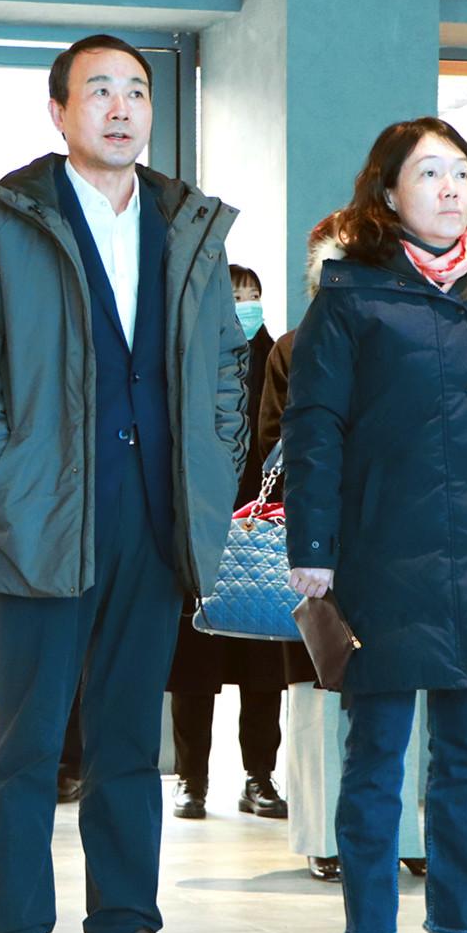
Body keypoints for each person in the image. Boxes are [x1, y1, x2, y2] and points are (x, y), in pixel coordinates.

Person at [0, 33, 245, 933]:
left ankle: (125, 931)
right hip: (40, 519)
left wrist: (208, 473)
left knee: (127, 743)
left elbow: (224, 369)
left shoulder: (184, 223)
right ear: (58, 110)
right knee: (24, 744)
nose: (119, 107)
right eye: (97, 90)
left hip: (152, 520)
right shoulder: (7, 218)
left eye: (135, 90)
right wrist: (6, 485)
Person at [283, 116, 467, 933]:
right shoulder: (351, 295)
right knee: (375, 756)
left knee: (464, 759)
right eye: (429, 173)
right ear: (388, 192)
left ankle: (458, 927)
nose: (450, 189)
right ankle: (369, 929)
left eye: (461, 173)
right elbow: (314, 429)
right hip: (380, 553)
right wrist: (312, 547)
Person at [262, 221, 428, 882]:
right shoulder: (294, 346)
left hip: (398, 540)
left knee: (401, 685)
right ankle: (320, 835)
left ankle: (404, 832)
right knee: (316, 690)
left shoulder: (415, 338)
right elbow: (274, 445)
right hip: (319, 540)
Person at [167, 263, 287, 821]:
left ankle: (259, 776)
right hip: (203, 531)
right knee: (195, 664)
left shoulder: (280, 358)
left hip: (263, 531)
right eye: (236, 295)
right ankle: (191, 778)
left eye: (253, 294)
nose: (246, 305)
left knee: (264, 663)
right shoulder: (192, 358)